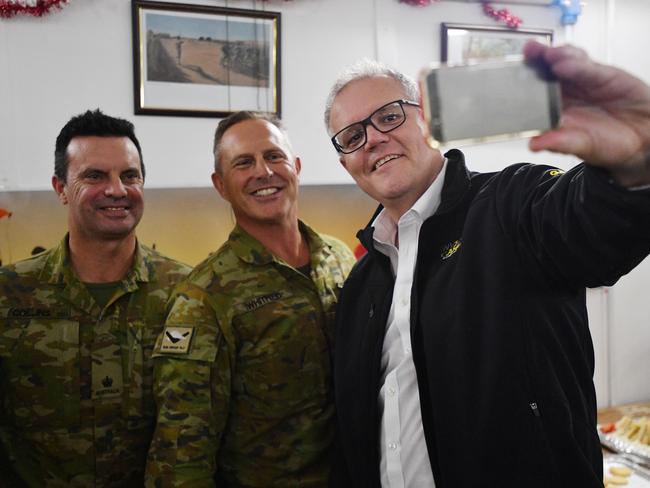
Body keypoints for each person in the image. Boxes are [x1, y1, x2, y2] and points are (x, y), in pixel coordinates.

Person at [324, 42, 650, 487]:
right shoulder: (362, 283)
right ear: (346, 162)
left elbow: (592, 226)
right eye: (351, 136)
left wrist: (637, 160)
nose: (374, 139)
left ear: (424, 118)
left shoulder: (511, 205)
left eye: (388, 116)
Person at [146, 111, 356, 487]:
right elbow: (181, 453)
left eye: (274, 156)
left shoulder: (339, 259)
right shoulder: (204, 298)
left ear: (296, 166)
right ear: (221, 185)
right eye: (243, 163)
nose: (264, 171)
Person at [0, 109, 191, 487]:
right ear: (60, 189)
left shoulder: (186, 292)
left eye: (130, 176)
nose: (117, 190)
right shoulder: (9, 294)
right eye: (94, 176)